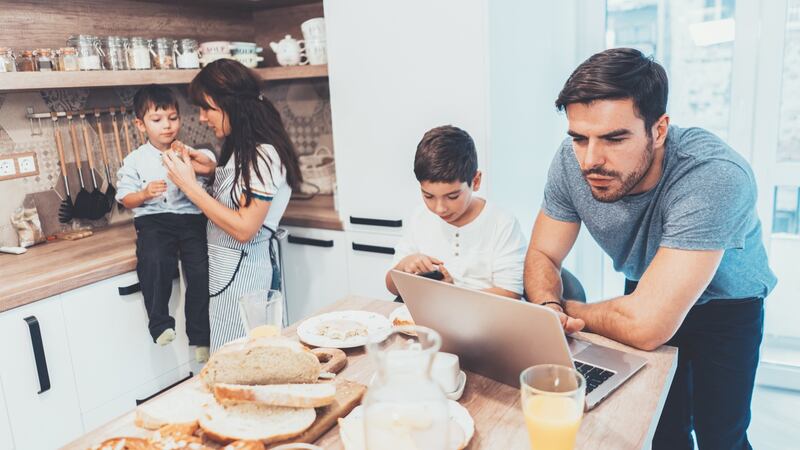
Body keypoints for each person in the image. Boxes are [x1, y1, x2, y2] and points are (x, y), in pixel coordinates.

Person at [523, 47, 777, 449]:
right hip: (647, 286)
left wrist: (564, 312)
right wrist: (547, 306)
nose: (591, 160)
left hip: (727, 305)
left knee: (721, 436)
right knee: (660, 428)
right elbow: (543, 254)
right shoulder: (572, 163)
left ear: (659, 131)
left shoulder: (713, 176)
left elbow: (646, 325)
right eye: (579, 138)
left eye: (614, 138)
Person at [163, 59, 302, 352]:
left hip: (249, 278)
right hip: (228, 276)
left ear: (230, 104)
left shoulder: (264, 155)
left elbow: (244, 228)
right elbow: (240, 193)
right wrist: (211, 171)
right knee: (232, 359)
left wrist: (190, 186)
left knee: (251, 360)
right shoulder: (242, 148)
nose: (202, 118)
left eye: (207, 109)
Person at [115, 84, 213, 362]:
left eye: (173, 118)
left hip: (191, 220)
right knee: (154, 261)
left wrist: (195, 168)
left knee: (200, 273)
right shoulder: (135, 160)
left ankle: (201, 337)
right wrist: (145, 194)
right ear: (141, 125)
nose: (167, 126)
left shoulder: (190, 153)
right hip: (154, 221)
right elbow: (126, 199)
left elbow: (210, 174)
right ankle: (159, 325)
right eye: (157, 119)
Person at [386, 125, 528, 299]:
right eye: (428, 196)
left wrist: (451, 294)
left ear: (476, 181)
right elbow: (392, 286)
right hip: (428, 311)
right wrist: (403, 266)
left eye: (452, 196)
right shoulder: (420, 217)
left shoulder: (502, 223)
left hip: (484, 314)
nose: (439, 208)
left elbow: (510, 294)